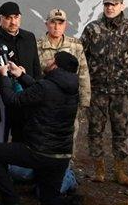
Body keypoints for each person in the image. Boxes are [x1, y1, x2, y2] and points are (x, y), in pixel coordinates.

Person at [0, 51, 84, 205]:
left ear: (56, 66)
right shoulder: (72, 89)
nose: (48, 60)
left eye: (52, 59)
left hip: (38, 151)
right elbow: (42, 90)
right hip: (61, 156)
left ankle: (11, 200)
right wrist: (21, 75)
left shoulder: (46, 87)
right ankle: (71, 204)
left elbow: (13, 100)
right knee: (49, 201)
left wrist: (4, 77)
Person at [80, 0, 128, 187]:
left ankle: (120, 171)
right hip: (97, 91)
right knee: (95, 131)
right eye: (107, 4)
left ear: (121, 6)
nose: (110, 7)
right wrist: (82, 85)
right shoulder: (92, 29)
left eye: (114, 4)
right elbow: (81, 58)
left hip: (122, 91)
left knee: (120, 131)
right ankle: (99, 170)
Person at [36, 8, 91, 156]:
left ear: (65, 25)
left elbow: (83, 73)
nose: (56, 27)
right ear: (46, 24)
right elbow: (35, 74)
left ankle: (67, 165)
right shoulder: (37, 45)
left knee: (69, 134)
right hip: (46, 101)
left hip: (69, 102)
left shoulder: (75, 45)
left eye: (60, 23)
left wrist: (85, 101)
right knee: (44, 134)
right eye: (53, 22)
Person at [0, 1, 40, 143]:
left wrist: (37, 89)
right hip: (2, 97)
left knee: (23, 137)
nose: (13, 22)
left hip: (27, 96)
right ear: (0, 19)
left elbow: (36, 67)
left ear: (20, 17)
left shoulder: (29, 37)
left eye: (16, 17)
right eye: (8, 18)